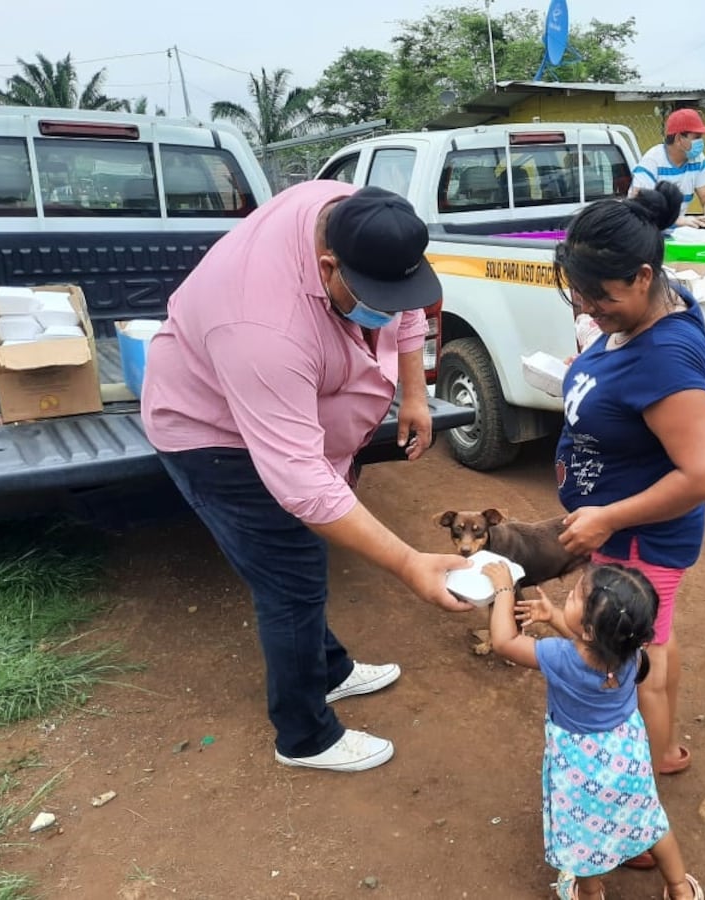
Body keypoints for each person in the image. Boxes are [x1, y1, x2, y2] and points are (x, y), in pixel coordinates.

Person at [142, 182, 474, 772]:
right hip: (213, 433)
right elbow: (300, 482)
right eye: (372, 293)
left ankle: (331, 670)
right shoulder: (261, 326)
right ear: (328, 266)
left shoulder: (359, 214)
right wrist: (408, 562)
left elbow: (401, 313)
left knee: (301, 562)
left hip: (288, 416)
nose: (389, 306)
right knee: (290, 577)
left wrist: (415, 393)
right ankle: (304, 736)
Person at [552, 181, 705, 782]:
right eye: (579, 293)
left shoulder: (664, 356)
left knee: (635, 659)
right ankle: (665, 749)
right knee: (658, 638)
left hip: (638, 542)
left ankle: (640, 783)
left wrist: (608, 517)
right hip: (629, 536)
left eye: (599, 296)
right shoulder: (654, 308)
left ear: (644, 275)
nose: (586, 307)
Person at [482, 561, 705, 900]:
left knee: (586, 833)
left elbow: (504, 641)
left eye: (572, 598)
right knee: (648, 818)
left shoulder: (559, 657)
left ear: (588, 631)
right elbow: (593, 645)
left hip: (581, 767)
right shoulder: (632, 652)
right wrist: (556, 616)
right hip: (627, 758)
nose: (566, 599)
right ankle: (678, 887)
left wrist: (502, 589)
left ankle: (589, 892)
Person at [629, 108, 705, 229]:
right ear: (679, 139)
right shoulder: (652, 161)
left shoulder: (698, 159)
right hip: (646, 231)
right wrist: (676, 221)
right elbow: (639, 209)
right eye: (697, 137)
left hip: (675, 234)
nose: (701, 141)